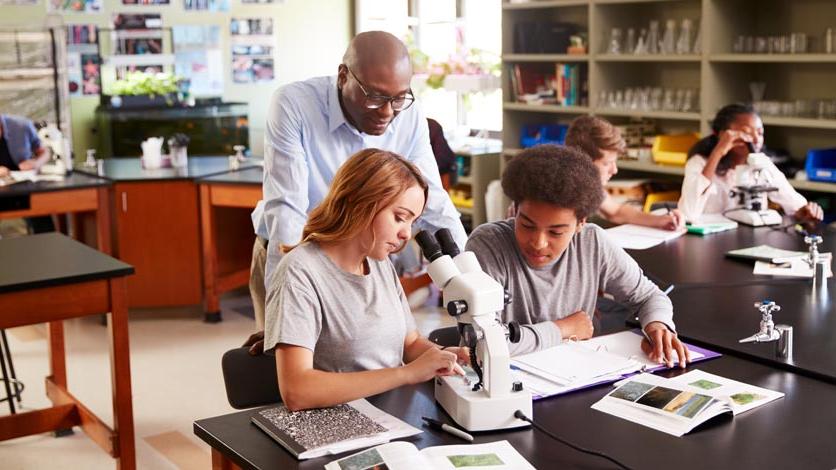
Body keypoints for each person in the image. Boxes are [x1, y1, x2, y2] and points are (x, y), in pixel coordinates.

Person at [249, 31, 466, 329]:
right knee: (288, 366)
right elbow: (287, 211)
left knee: (365, 359)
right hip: (294, 251)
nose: (388, 112)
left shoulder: (408, 115)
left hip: (364, 257)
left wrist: (468, 275)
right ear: (343, 76)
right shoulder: (294, 104)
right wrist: (284, 303)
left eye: (398, 98)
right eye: (375, 97)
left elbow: (435, 203)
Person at [264, 148, 468, 411]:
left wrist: (444, 357)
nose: (407, 234)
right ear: (362, 203)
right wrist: (407, 374)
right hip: (338, 424)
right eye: (399, 218)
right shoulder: (299, 272)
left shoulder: (378, 261)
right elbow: (297, 391)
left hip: (390, 413)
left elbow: (409, 343)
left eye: (412, 222)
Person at [466, 144, 689, 368]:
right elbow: (482, 343)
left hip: (575, 375)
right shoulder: (488, 245)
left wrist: (658, 325)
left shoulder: (592, 241)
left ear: (581, 223)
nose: (538, 242)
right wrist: (563, 328)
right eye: (526, 225)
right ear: (514, 210)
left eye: (556, 232)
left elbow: (648, 296)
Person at [679, 103, 823, 223]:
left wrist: (806, 211)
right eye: (747, 132)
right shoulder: (699, 162)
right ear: (722, 135)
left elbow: (794, 204)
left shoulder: (761, 164)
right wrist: (717, 153)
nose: (756, 139)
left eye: (760, 133)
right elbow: (688, 213)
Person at [564, 116, 683, 230]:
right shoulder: (561, 191)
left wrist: (660, 220)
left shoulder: (590, 186)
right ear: (583, 162)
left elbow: (616, 211)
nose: (614, 170)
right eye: (607, 163)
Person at [0, 114, 53, 235]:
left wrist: (35, 163)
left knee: (43, 216)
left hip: (25, 185)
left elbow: (44, 152)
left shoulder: (21, 126)